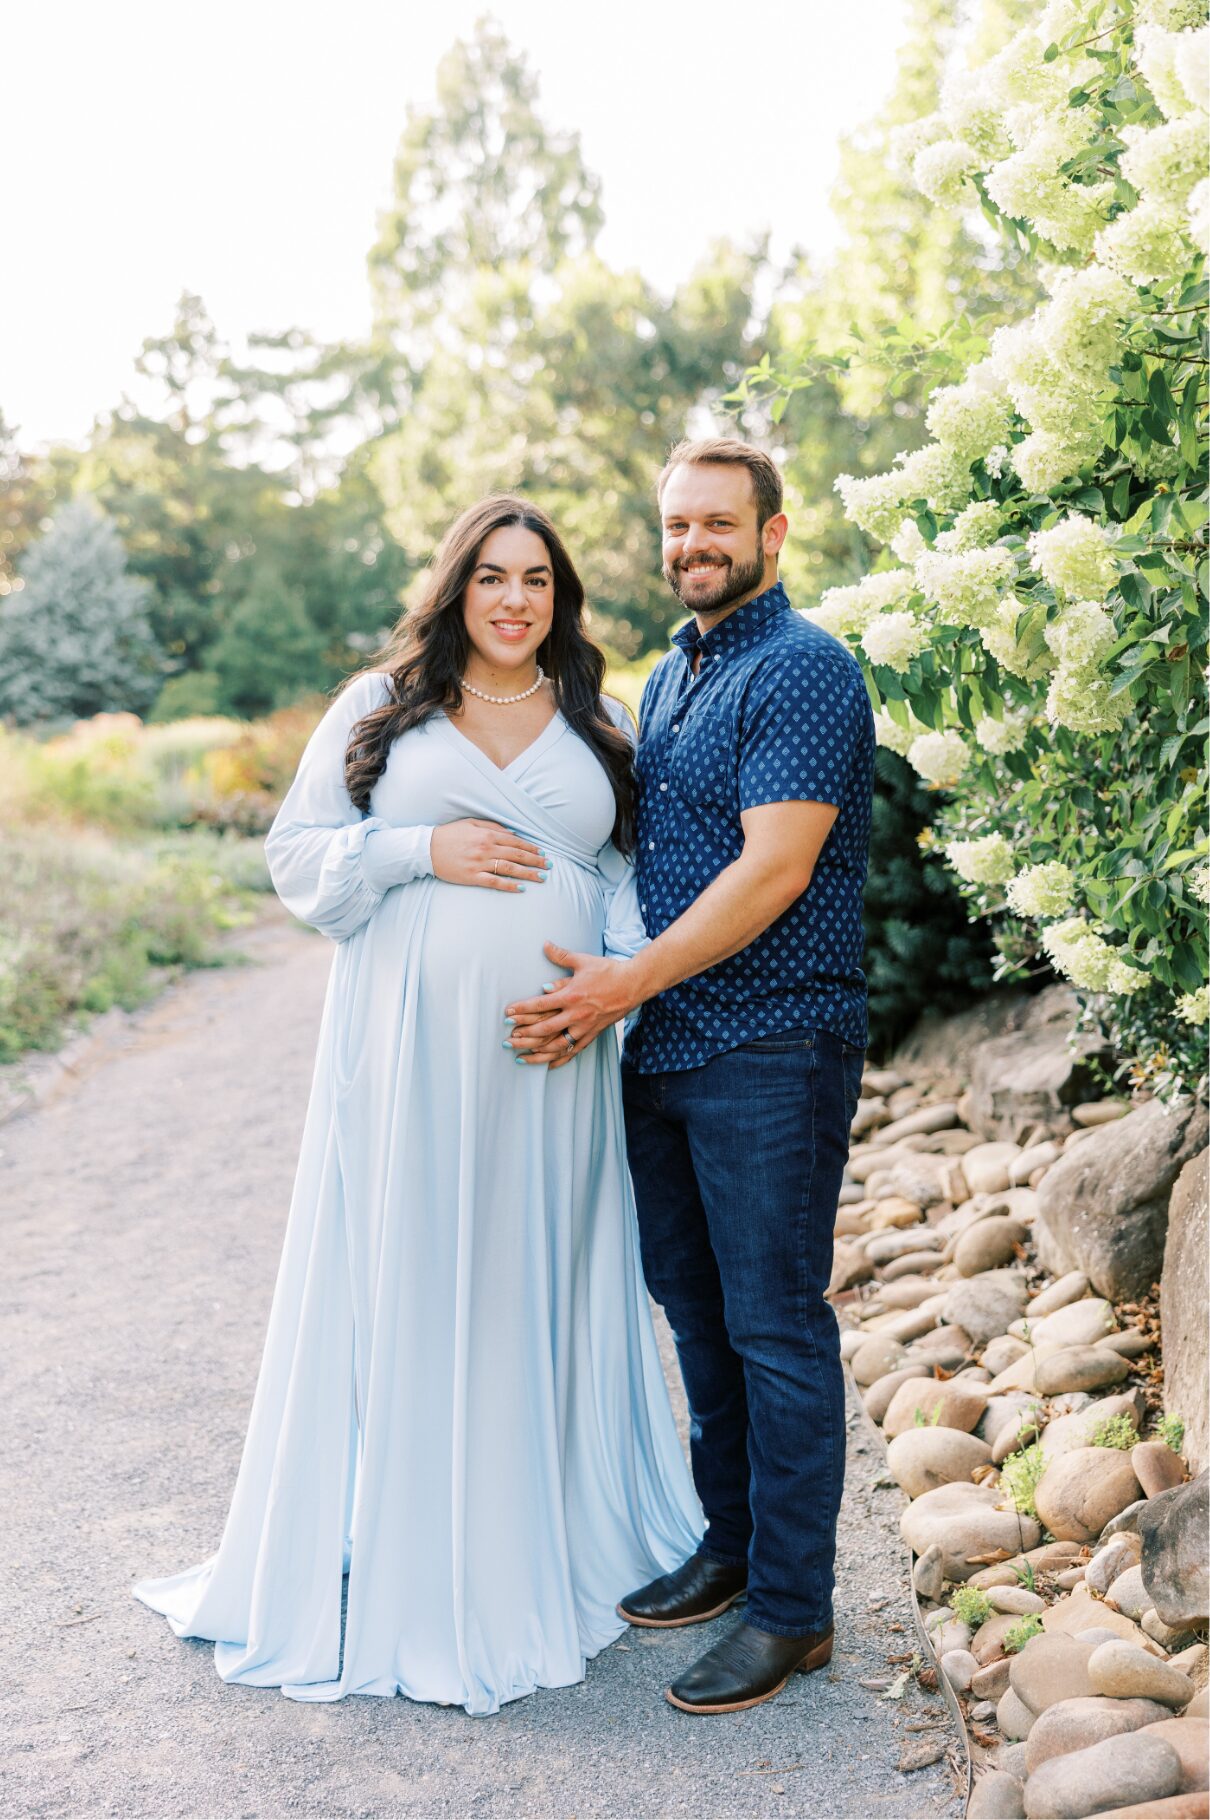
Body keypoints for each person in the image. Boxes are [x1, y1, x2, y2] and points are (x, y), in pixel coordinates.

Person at [132, 495, 701, 1716]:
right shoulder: (379, 702)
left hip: (553, 1057)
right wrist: (417, 853)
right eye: (492, 576)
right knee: (410, 1263)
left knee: (526, 1273)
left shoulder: (602, 715)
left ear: (561, 598)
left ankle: (528, 1529)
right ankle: (398, 1537)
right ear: (456, 589)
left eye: (537, 580)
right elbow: (298, 855)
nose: (514, 599)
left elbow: (621, 876)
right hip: (402, 1055)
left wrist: (611, 994)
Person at [505, 438, 875, 1715]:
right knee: (695, 1313)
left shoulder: (806, 669)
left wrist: (621, 981)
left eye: (717, 521)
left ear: (774, 533)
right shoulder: (669, 674)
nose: (692, 544)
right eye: (676, 524)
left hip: (773, 1041)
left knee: (773, 1322)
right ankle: (731, 1544)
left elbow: (772, 870)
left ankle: (793, 1609)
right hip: (663, 1044)